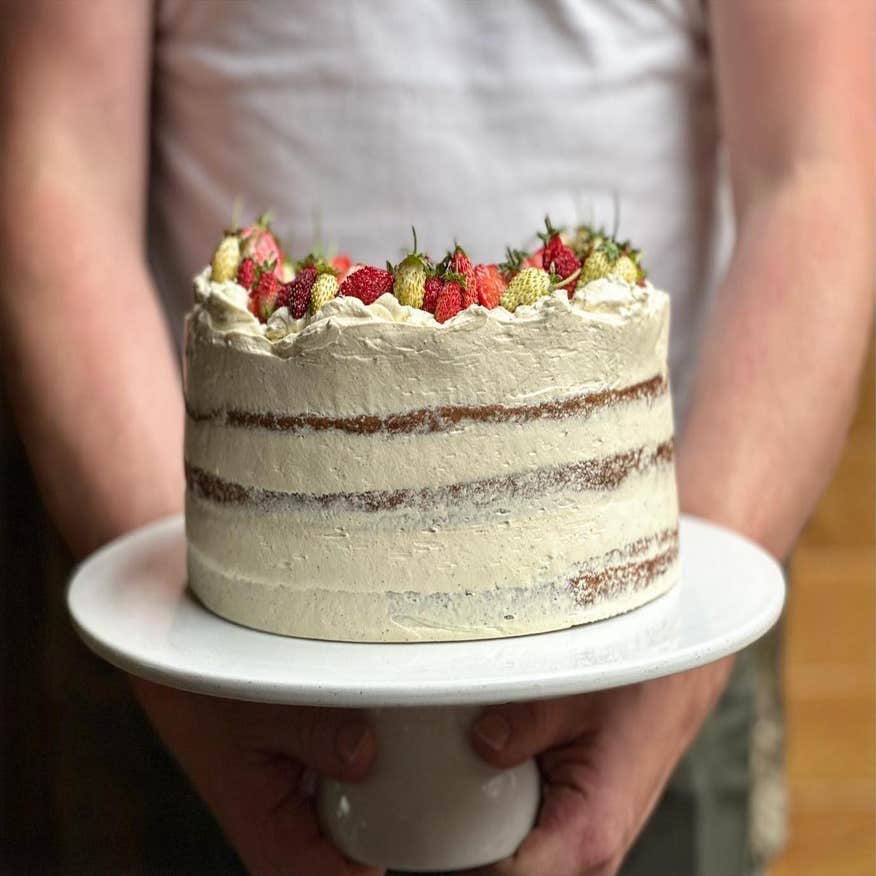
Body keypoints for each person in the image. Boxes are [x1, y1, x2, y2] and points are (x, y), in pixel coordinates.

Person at [0, 2, 872, 874]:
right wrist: (185, 660)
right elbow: (58, 165)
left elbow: (820, 169)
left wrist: (677, 667)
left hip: (644, 639)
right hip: (188, 633)